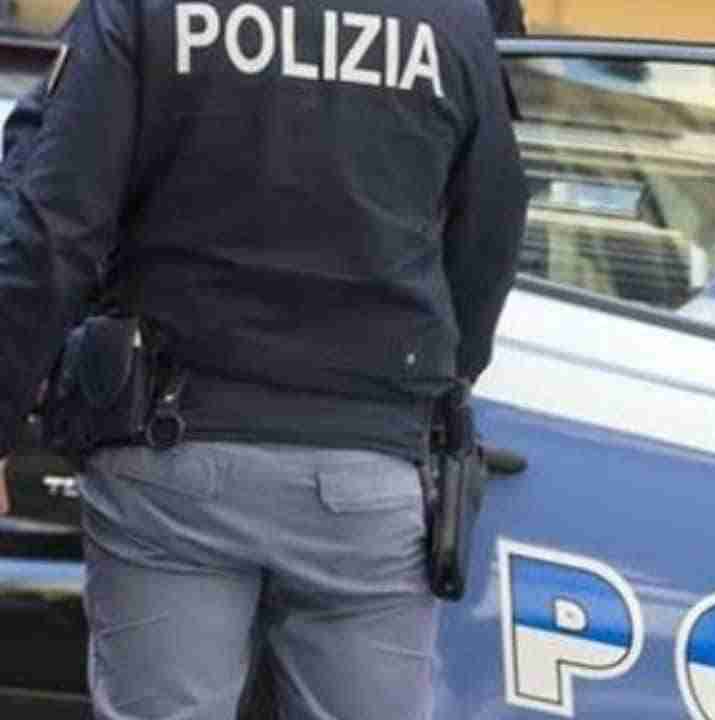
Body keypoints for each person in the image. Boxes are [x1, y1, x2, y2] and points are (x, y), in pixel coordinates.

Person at [0, 0, 528, 716]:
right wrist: (437, 385)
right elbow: (491, 232)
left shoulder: (143, 10)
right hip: (367, 471)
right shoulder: (451, 19)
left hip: (171, 456)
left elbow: (51, 229)